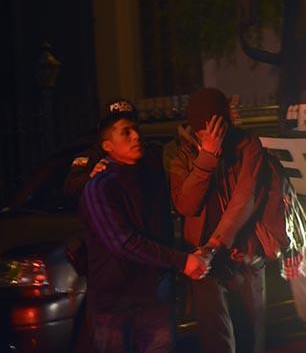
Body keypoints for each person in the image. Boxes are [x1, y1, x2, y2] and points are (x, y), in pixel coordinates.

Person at [80, 108, 208, 353]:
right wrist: (181, 261)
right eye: (125, 132)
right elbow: (123, 242)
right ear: (107, 146)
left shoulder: (151, 175)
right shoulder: (101, 186)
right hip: (116, 300)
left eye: (136, 129)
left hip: (154, 294)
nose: (136, 136)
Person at [169, 87, 266, 353]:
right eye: (204, 133)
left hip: (243, 254)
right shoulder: (179, 152)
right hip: (203, 261)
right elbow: (186, 205)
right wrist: (207, 158)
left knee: (250, 338)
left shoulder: (248, 145)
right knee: (217, 341)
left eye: (218, 130)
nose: (212, 138)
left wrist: (215, 244)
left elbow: (245, 198)